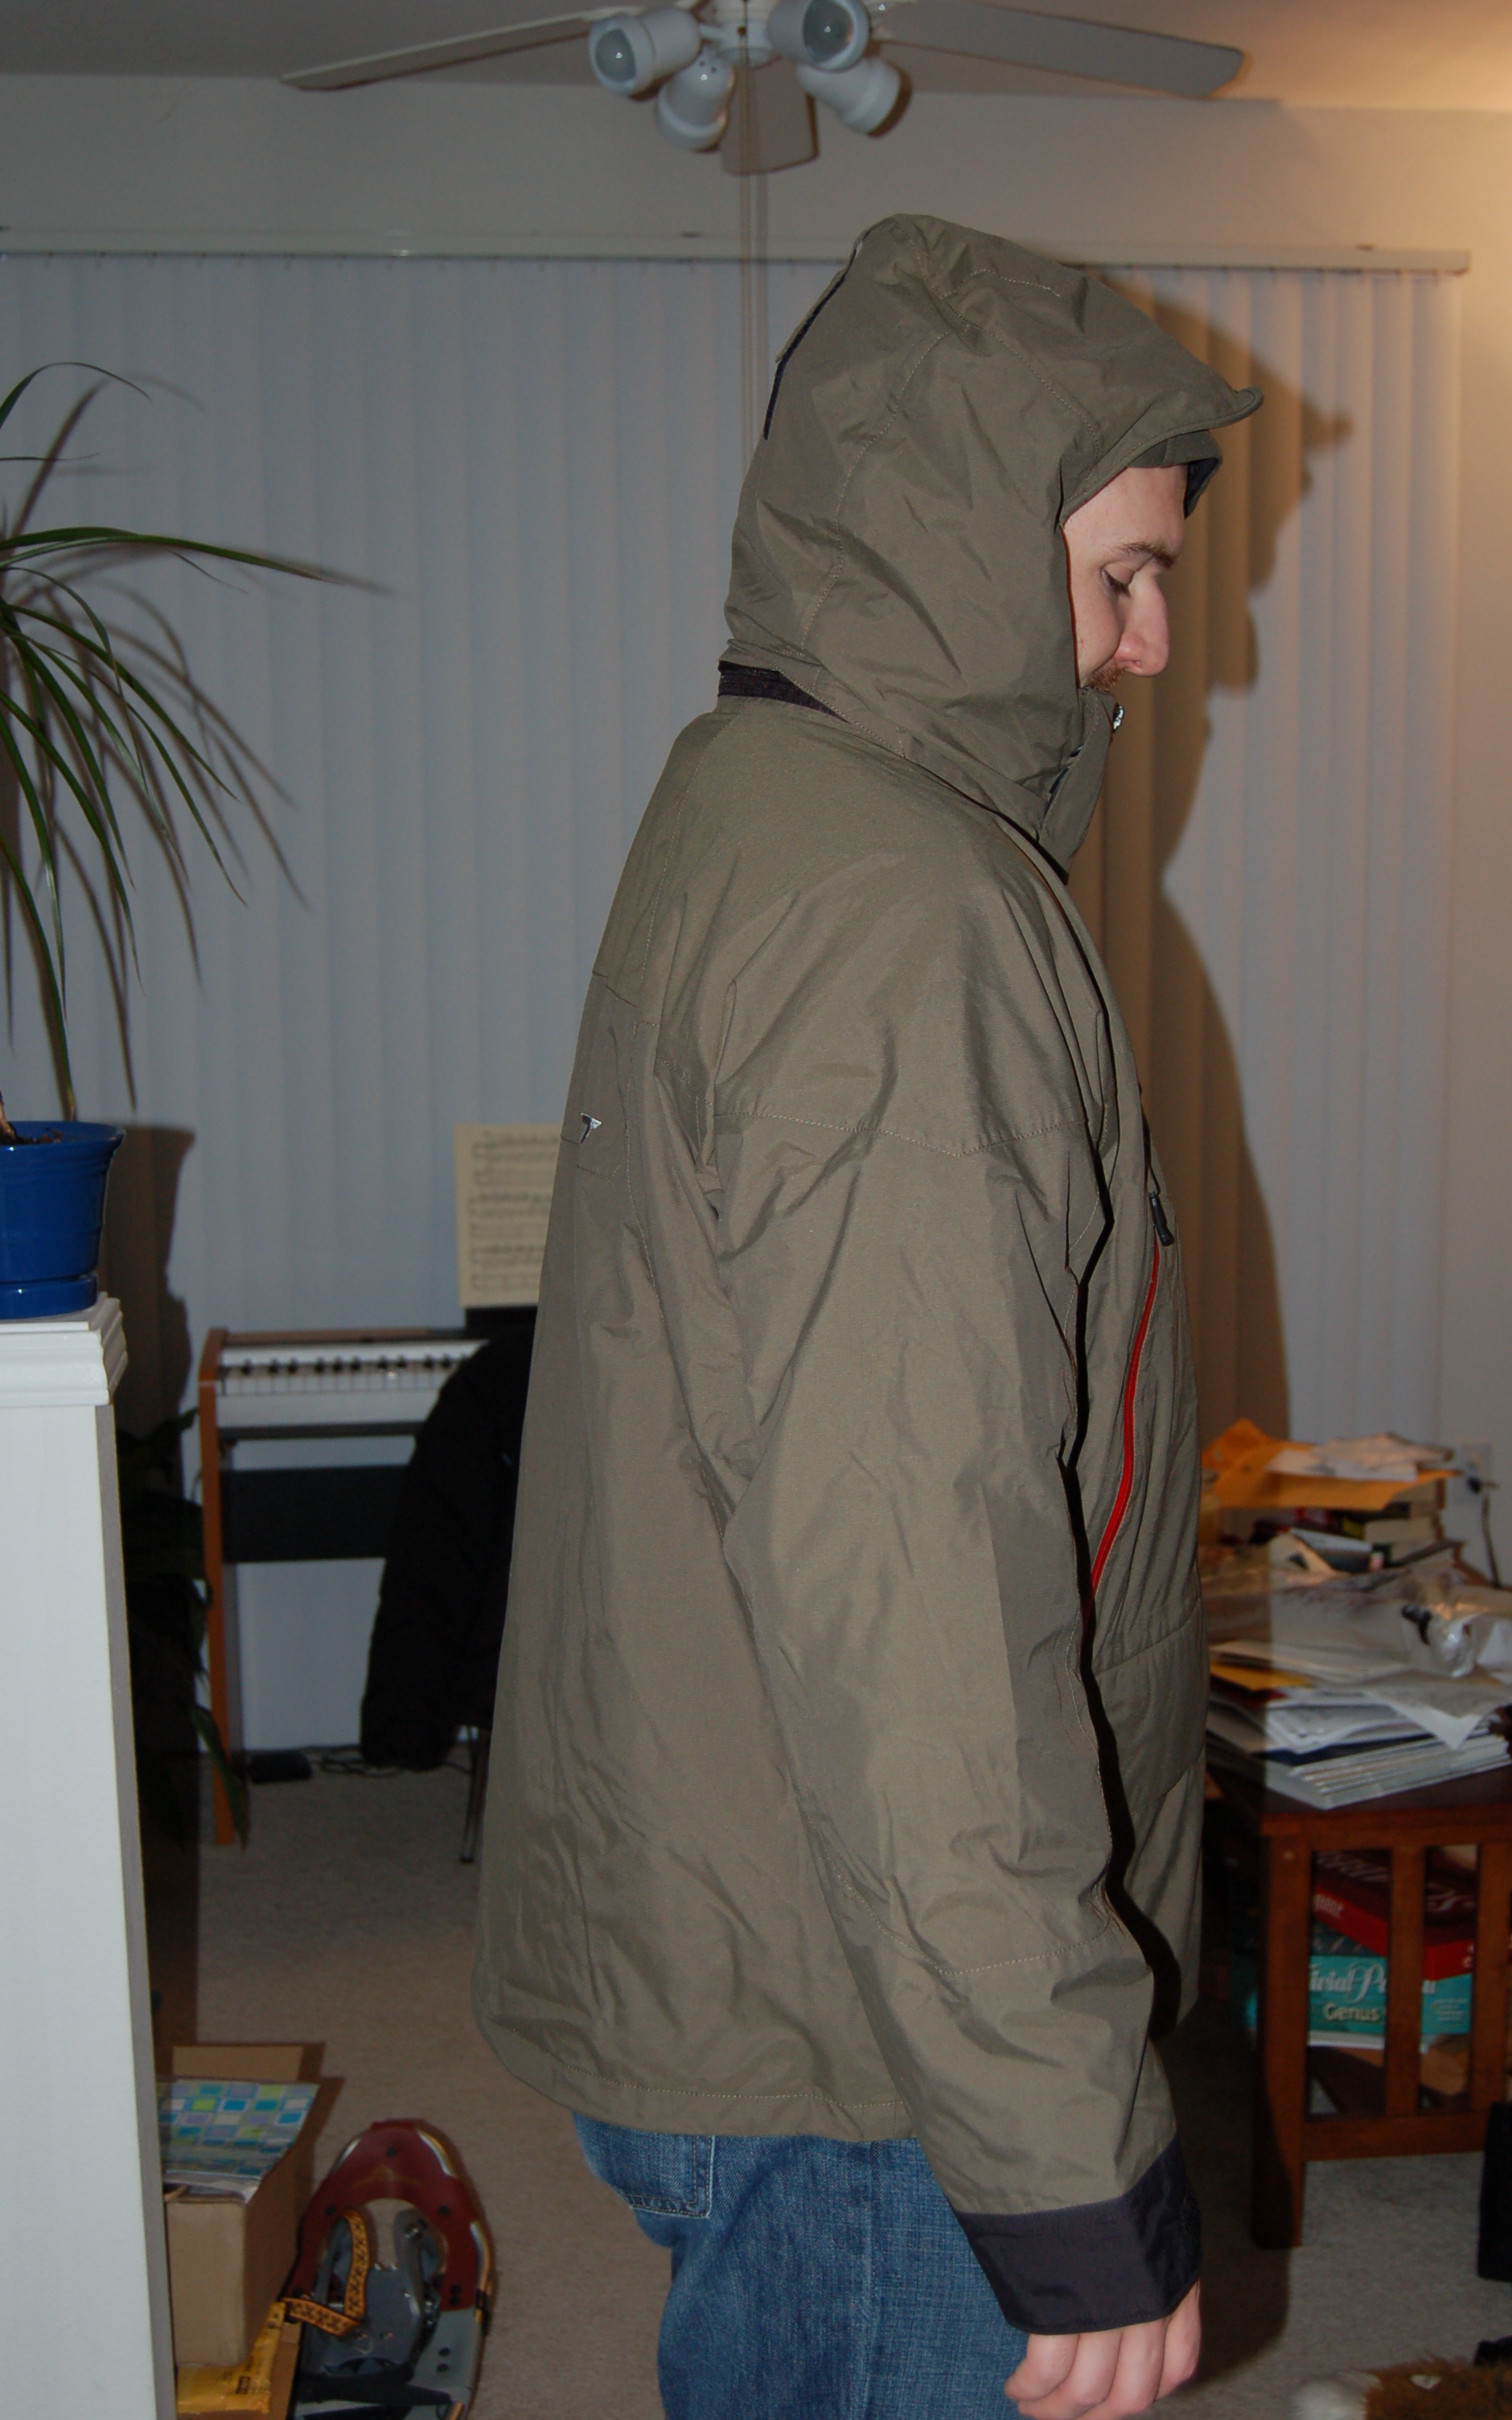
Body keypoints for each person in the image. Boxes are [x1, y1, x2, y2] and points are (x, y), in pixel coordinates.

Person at [473, 214, 1261, 2418]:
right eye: (1123, 575)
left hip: (775, 1923)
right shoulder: (904, 922)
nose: (1159, 644)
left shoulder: (761, 802)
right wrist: (1061, 2151)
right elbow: (916, 1594)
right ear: (961, 543)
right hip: (863, 2054)